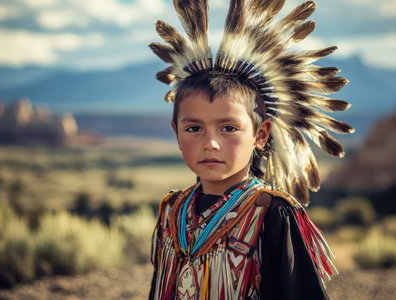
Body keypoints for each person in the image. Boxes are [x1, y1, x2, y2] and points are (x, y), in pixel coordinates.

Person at [148, 1, 353, 299]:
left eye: (228, 128)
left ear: (260, 134)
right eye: (194, 128)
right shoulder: (172, 212)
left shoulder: (272, 213)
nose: (211, 143)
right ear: (176, 134)